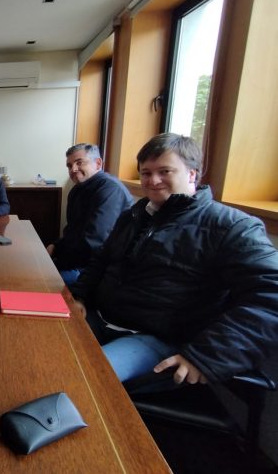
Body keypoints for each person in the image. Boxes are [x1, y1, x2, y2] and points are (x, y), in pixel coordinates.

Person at [69, 133, 278, 386]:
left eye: (165, 171)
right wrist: (80, 296)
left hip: (155, 338)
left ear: (192, 174)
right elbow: (102, 260)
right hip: (101, 318)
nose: (153, 180)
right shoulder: (134, 215)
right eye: (146, 173)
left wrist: (206, 356)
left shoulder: (233, 227)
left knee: (79, 379)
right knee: (38, 344)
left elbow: (271, 296)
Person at [46, 143, 133, 285]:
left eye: (79, 163)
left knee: (42, 282)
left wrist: (58, 261)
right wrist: (56, 246)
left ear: (98, 163)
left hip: (96, 267)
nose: (73, 169)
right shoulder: (77, 190)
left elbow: (95, 240)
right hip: (77, 260)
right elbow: (73, 230)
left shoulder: (110, 189)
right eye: (69, 166)